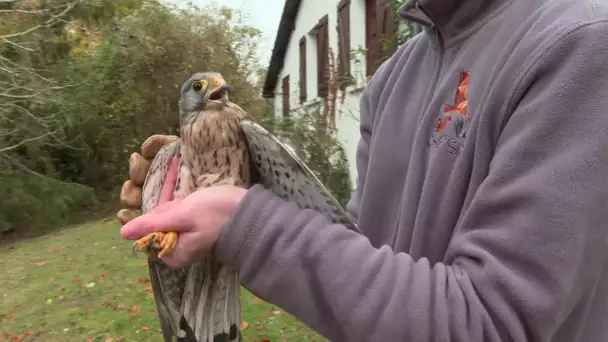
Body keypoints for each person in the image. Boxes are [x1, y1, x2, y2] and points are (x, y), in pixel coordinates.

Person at [120, 0, 608, 340]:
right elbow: (361, 266)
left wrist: (245, 224)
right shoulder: (392, 79)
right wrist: (209, 199)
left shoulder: (579, 44)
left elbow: (490, 323)